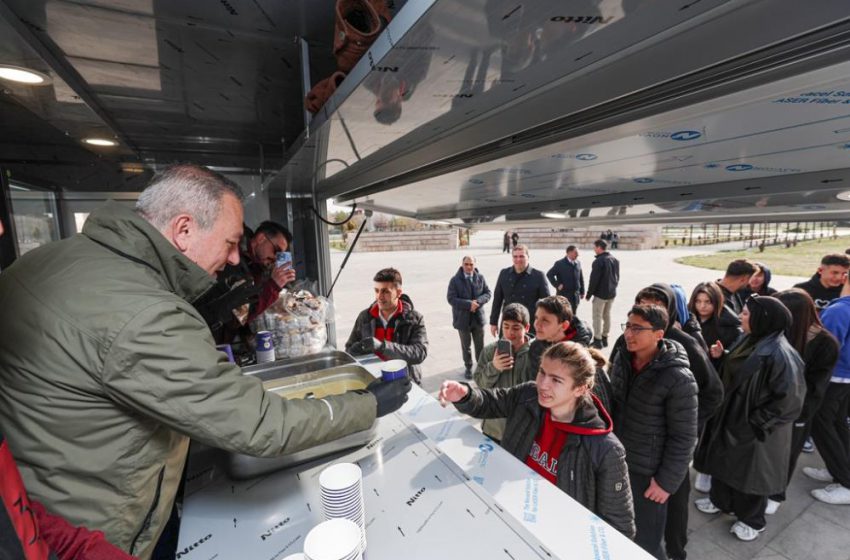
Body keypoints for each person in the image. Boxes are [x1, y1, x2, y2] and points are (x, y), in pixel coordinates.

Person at [0, 164, 412, 559]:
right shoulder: (143, 313)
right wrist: (369, 403)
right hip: (98, 534)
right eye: (230, 243)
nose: (235, 259)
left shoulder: (43, 262)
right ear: (183, 230)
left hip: (33, 512)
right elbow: (260, 423)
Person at [439, 342, 636, 539]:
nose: (543, 384)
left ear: (579, 389)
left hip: (556, 538)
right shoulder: (528, 396)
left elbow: (620, 526)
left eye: (556, 380)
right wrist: (464, 395)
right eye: (542, 372)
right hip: (509, 518)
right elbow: (490, 402)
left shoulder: (606, 449)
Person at [612, 285, 721, 560]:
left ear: (659, 334)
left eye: (638, 329)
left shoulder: (678, 376)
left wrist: (665, 481)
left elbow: (684, 436)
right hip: (620, 460)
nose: (629, 333)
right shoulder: (624, 357)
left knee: (647, 542)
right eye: (628, 326)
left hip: (651, 471)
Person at [694, 296, 805, 542]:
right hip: (733, 418)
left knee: (752, 476)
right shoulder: (752, 339)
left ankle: (752, 520)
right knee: (725, 463)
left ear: (761, 320)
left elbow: (790, 402)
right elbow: (740, 372)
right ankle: (721, 501)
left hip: (754, 428)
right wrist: (723, 357)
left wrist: (757, 422)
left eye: (745, 313)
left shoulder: (781, 354)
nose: (740, 317)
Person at [765, 289, 838, 514]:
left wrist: (800, 416)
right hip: (769, 405)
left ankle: (776, 493)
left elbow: (816, 387)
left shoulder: (824, 343)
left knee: (788, 452)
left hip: (796, 411)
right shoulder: (777, 332)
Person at [195, 220, 297, 343]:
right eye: (275, 250)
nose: (275, 258)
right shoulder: (234, 262)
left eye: (280, 255)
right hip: (207, 337)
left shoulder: (257, 266)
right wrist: (273, 286)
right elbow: (238, 316)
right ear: (260, 239)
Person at [806, 273, 850, 505]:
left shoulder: (839, 311)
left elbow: (826, 349)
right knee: (838, 423)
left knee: (821, 424)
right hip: (845, 379)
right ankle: (839, 468)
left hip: (835, 378)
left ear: (845, 277)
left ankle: (845, 479)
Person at [346, 267, 429, 385]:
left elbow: (420, 352)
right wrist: (353, 350)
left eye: (385, 291)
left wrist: (383, 347)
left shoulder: (414, 318)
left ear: (399, 293)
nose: (379, 296)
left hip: (404, 381)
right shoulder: (365, 317)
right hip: (373, 381)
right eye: (376, 290)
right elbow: (349, 348)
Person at [525, 296, 607, 404]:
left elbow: (600, 404)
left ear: (564, 325)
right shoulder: (536, 348)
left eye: (545, 320)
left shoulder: (581, 359)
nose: (536, 324)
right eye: (536, 318)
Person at [473, 303, 532, 442]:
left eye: (516, 328)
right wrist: (494, 367)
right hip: (494, 428)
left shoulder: (535, 354)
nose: (510, 333)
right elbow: (480, 386)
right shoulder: (489, 351)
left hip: (523, 431)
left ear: (527, 327)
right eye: (506, 327)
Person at [489, 244, 550, 337]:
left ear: (528, 257)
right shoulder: (504, 273)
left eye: (521, 256)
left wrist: (546, 325)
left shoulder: (538, 276)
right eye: (515, 256)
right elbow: (497, 300)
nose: (518, 259)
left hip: (529, 324)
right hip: (507, 324)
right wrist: (493, 323)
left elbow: (547, 304)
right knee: (506, 351)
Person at [447, 256, 492, 379]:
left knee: (480, 345)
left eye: (471, 264)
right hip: (463, 319)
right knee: (466, 346)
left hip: (478, 319)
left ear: (475, 265)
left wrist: (477, 302)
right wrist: (468, 305)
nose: (468, 267)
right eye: (466, 264)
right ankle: (468, 367)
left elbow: (488, 293)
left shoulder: (480, 278)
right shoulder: (455, 280)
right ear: (462, 264)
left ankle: (481, 366)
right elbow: (451, 298)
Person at [689, 281, 744, 368]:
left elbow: (737, 357)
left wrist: (721, 354)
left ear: (717, 302)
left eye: (708, 302)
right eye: (698, 301)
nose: (702, 306)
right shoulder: (686, 319)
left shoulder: (729, 326)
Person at [586, 239, 620, 349]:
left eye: (595, 247)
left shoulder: (598, 261)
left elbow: (594, 280)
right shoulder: (614, 259)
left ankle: (598, 340)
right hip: (611, 294)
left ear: (599, 247)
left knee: (597, 316)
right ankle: (605, 338)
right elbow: (617, 277)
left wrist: (589, 294)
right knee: (607, 315)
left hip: (600, 295)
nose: (594, 249)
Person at [546, 245, 585, 313]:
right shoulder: (560, 263)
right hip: (564, 296)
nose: (578, 255)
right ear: (569, 253)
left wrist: (582, 291)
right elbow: (549, 274)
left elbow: (580, 278)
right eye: (575, 252)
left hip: (575, 296)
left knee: (573, 315)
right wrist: (557, 285)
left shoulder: (578, 263)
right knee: (563, 315)